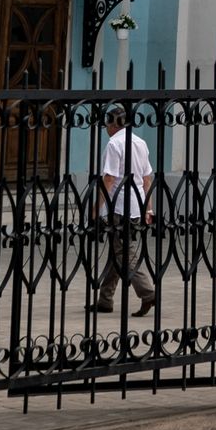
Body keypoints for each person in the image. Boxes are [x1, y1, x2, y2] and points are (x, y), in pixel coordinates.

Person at [93, 104, 157, 318]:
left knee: (123, 252)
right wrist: (149, 207)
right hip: (137, 205)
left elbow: (109, 179)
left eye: (107, 123)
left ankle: (148, 293)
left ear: (114, 123)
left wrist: (97, 208)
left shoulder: (114, 144)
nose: (106, 128)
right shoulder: (140, 142)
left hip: (119, 206)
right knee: (117, 251)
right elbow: (147, 177)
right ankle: (105, 299)